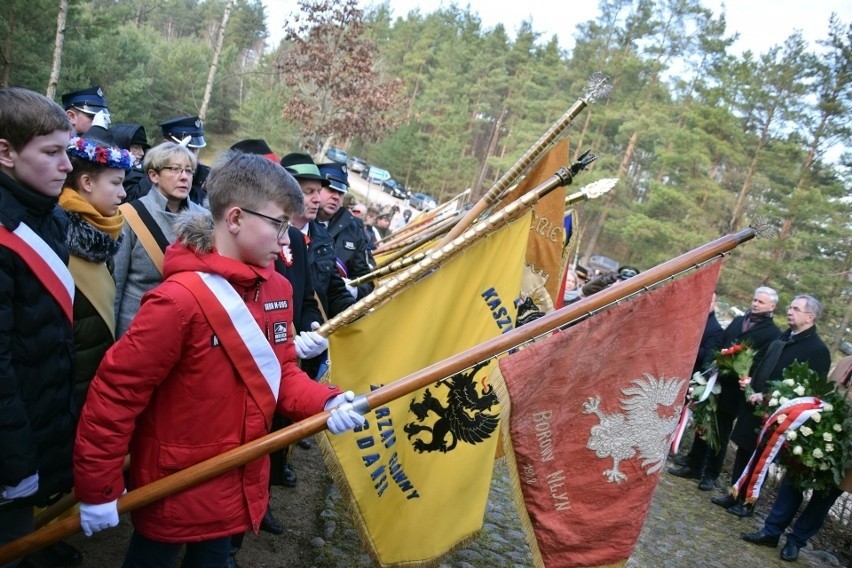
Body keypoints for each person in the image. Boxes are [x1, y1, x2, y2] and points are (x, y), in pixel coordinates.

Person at [72, 152, 367, 567]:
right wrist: (99, 487)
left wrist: (326, 401)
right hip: (174, 481)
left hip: (237, 475)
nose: (287, 241)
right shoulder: (176, 301)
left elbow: (280, 373)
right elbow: (117, 393)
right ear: (234, 219)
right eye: (279, 225)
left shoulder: (277, 289)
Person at [0, 87, 75, 564]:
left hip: (34, 408)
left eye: (67, 150)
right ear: (5, 152)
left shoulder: (47, 218)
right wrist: (16, 460)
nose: (67, 165)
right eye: (52, 152)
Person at [715, 294, 831, 517]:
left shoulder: (817, 350)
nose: (789, 311)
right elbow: (765, 364)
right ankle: (734, 493)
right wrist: (750, 381)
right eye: (790, 307)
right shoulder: (785, 337)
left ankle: (748, 502)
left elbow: (808, 390)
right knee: (744, 450)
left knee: (760, 457)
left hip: (778, 413)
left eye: (796, 309)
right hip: (755, 403)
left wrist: (767, 396)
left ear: (810, 316)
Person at [740, 354, 850, 562]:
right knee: (792, 482)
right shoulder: (846, 362)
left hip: (847, 452)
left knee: (824, 498)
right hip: (820, 435)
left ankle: (796, 541)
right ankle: (771, 531)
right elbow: (825, 395)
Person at [673, 286, 781, 492]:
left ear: (772, 306)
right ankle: (693, 465)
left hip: (735, 390)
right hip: (716, 381)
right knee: (703, 424)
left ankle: (711, 474)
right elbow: (721, 344)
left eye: (761, 302)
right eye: (755, 300)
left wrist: (737, 369)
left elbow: (759, 362)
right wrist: (715, 360)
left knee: (721, 431)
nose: (755, 303)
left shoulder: (772, 333)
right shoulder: (740, 321)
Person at [60, 126, 131, 413]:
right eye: (115, 183)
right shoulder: (59, 237)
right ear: (87, 182)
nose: (124, 193)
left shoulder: (101, 235)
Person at [113, 142, 206, 337]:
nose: (184, 177)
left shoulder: (205, 219)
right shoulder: (128, 215)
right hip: (139, 331)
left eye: (189, 171)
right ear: (153, 175)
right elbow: (116, 287)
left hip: (189, 331)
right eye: (174, 169)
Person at [279, 153, 357, 321]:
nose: (317, 199)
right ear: (286, 193)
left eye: (319, 192)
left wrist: (357, 313)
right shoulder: (266, 235)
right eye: (309, 192)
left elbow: (333, 291)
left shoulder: (324, 239)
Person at [316, 161, 375, 299]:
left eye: (341, 192)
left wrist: (354, 290)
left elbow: (367, 278)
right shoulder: (301, 218)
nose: (336, 196)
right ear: (317, 187)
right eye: (331, 189)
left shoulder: (354, 227)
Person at [110, 123, 150, 199]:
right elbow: (134, 197)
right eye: (136, 147)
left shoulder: (140, 169)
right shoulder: (109, 172)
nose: (142, 153)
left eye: (142, 148)